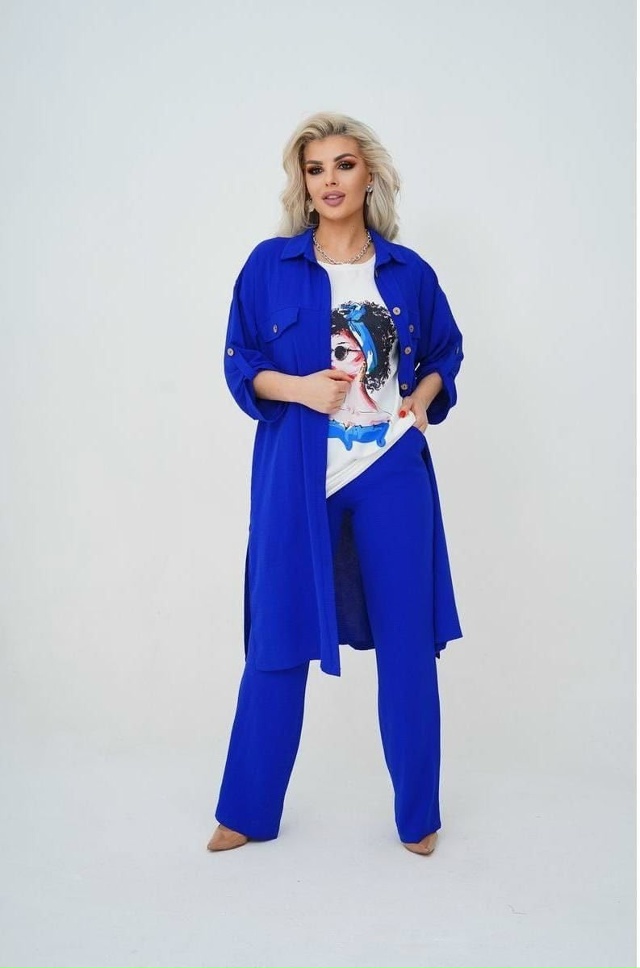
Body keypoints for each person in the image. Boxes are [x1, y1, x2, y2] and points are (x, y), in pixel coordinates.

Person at [207, 111, 464, 856]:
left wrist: (421, 398)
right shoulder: (270, 266)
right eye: (315, 169)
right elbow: (239, 361)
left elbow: (446, 351)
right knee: (277, 636)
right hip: (297, 476)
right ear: (303, 182)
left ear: (368, 174)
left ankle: (419, 817)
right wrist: (298, 389)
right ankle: (247, 811)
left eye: (343, 165)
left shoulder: (409, 272)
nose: (329, 181)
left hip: (391, 473)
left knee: (407, 642)